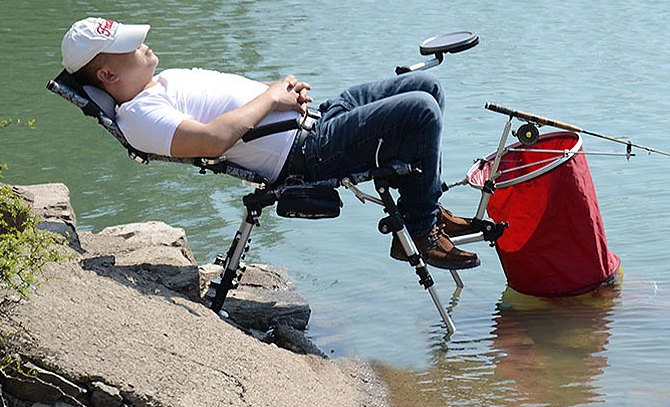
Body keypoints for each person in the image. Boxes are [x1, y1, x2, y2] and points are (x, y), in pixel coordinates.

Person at [61, 17, 483, 269]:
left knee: (426, 84)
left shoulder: (161, 83)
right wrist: (274, 98)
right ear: (108, 77)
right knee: (421, 111)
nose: (142, 43)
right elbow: (209, 142)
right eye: (129, 47)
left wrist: (283, 89)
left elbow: (241, 95)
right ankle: (423, 227)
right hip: (305, 152)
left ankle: (420, 209)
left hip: (315, 121)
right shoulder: (139, 116)